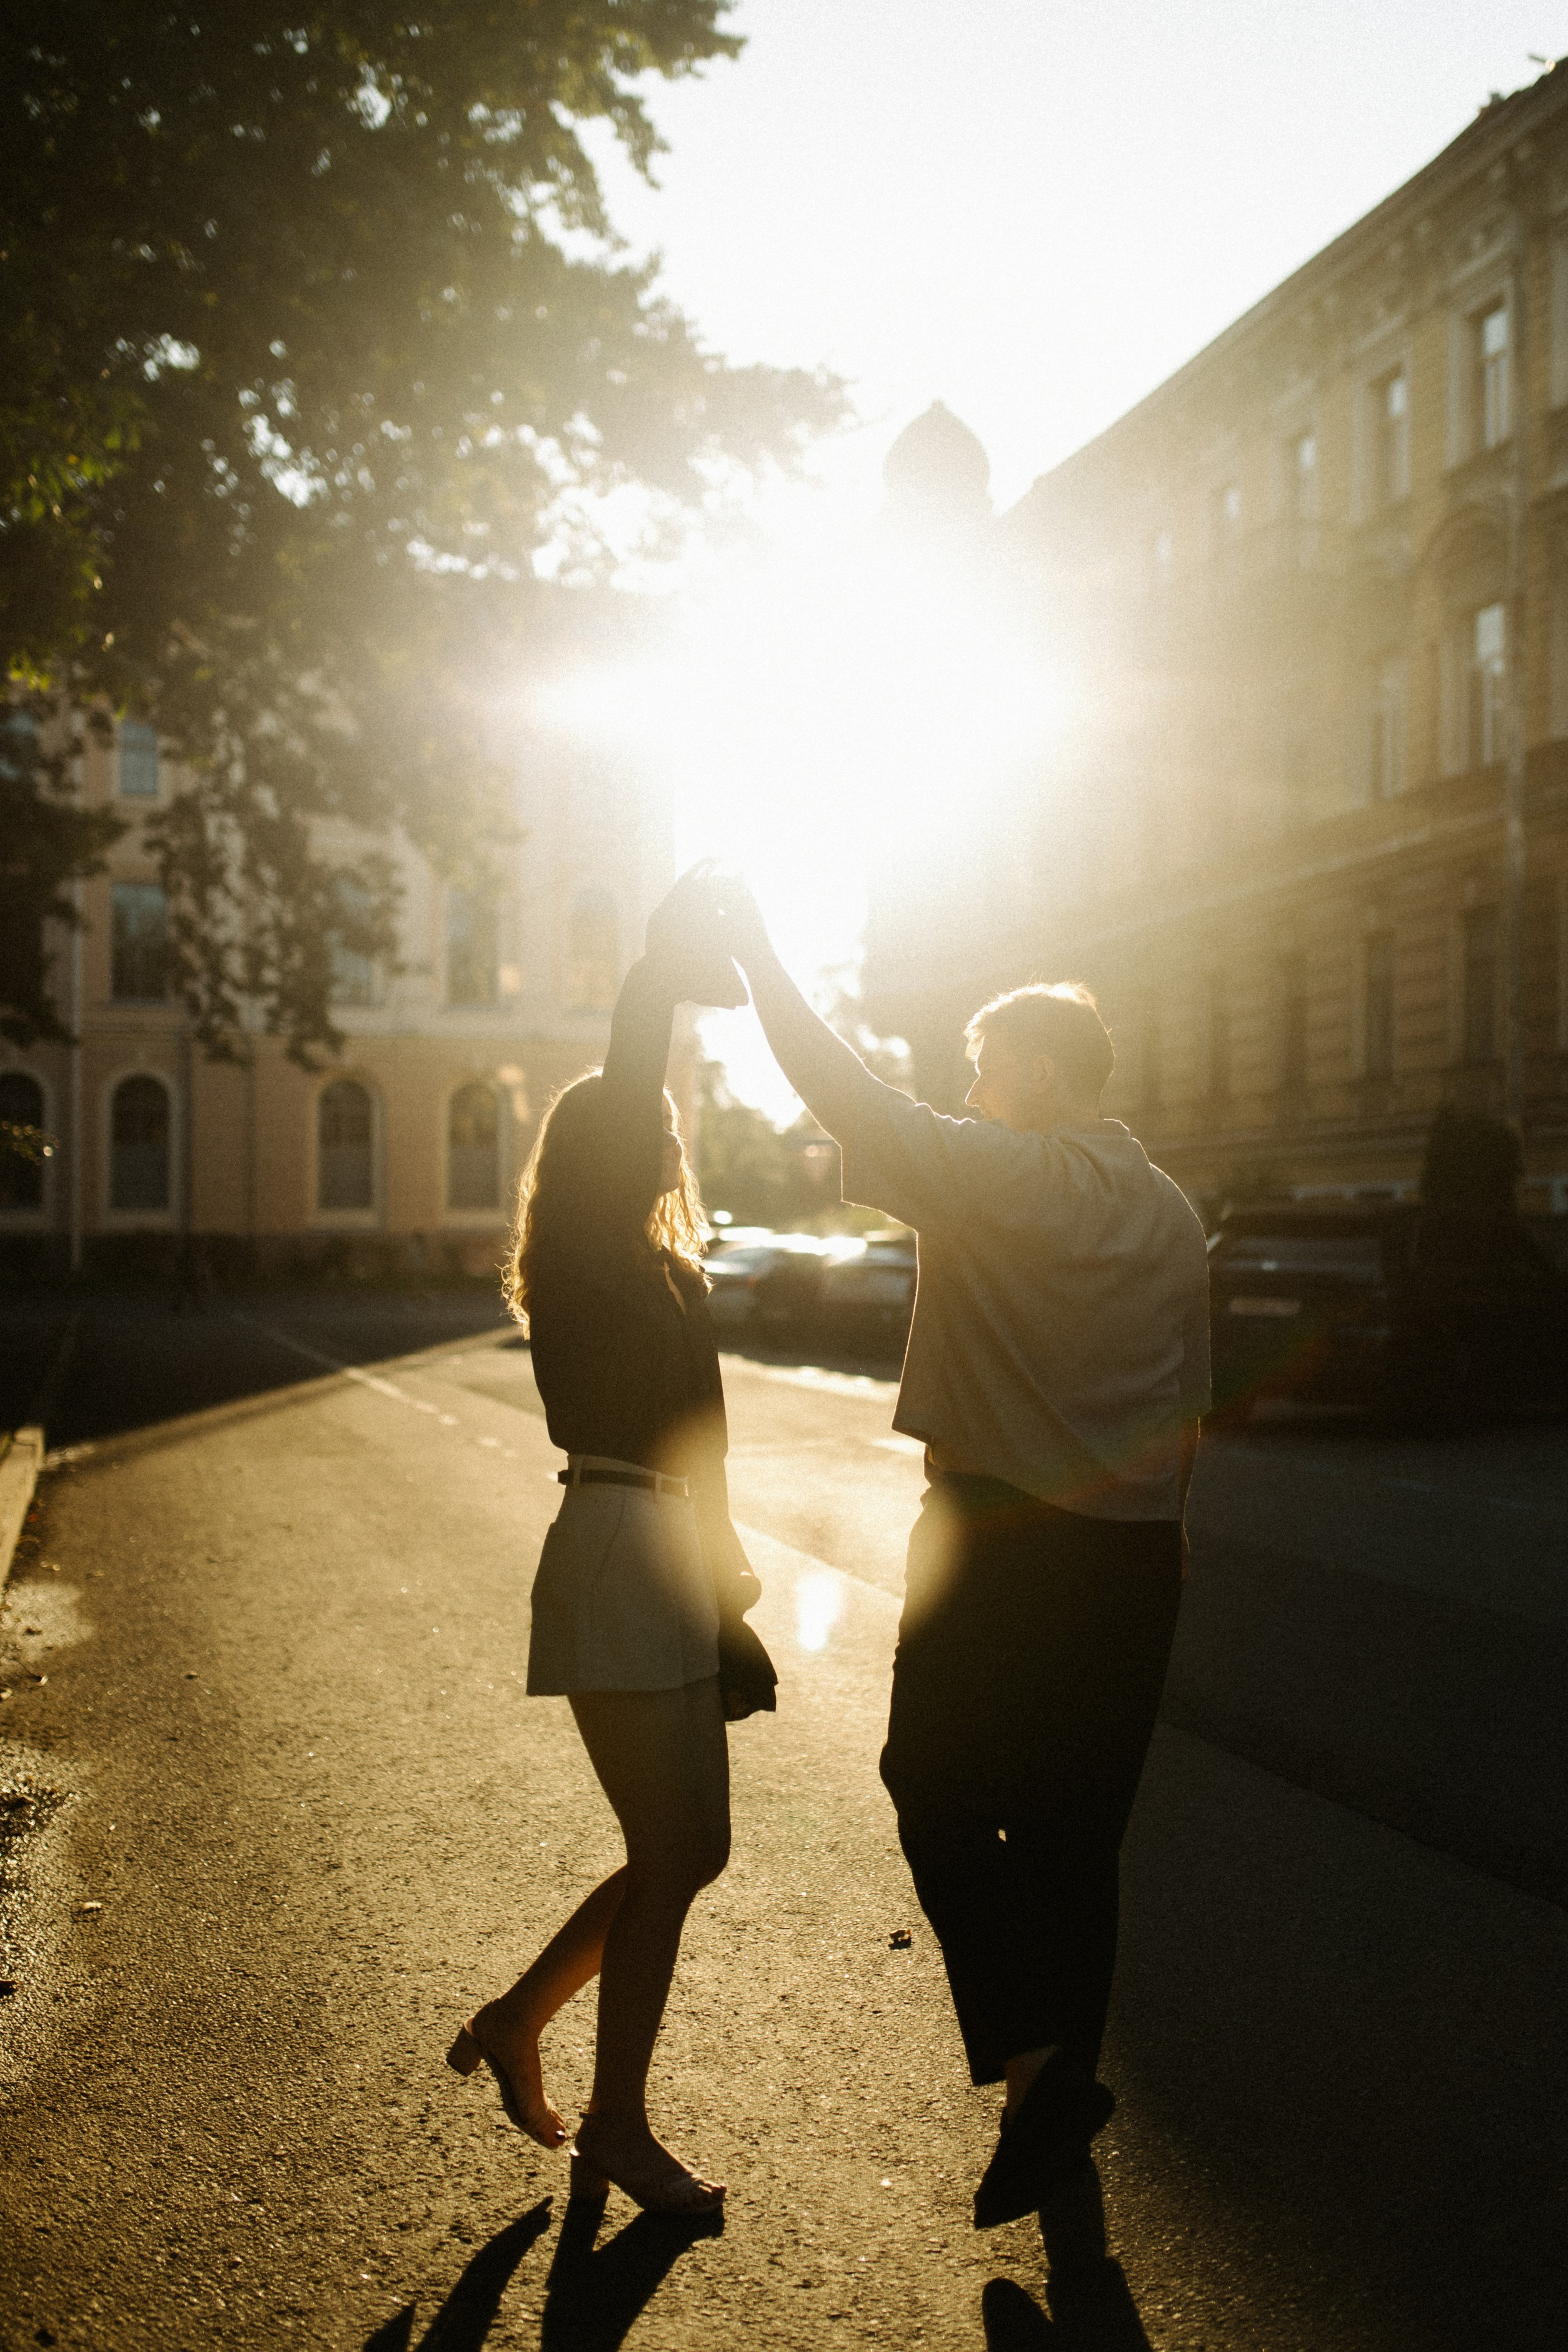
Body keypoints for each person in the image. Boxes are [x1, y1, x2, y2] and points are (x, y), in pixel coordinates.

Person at [705, 875, 1210, 2235]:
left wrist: (756, 952)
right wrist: (1163, 1549)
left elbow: (845, 1097)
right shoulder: (1166, 1212)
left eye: (986, 1066)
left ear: (1037, 1073)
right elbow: (1189, 1402)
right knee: (1073, 1838)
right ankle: (1056, 2124)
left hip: (992, 1542)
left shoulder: (999, 1176)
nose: (971, 1086)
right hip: (1128, 1559)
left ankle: (1037, 2076)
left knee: (928, 1785)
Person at [446, 881, 773, 2217]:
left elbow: (708, 1459)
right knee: (675, 1845)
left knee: (688, 1851)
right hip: (606, 1545)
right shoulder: (583, 1262)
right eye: (637, 1125)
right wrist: (661, 970)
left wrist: (732, 1602)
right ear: (593, 1156)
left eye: (664, 1126)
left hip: (666, 1553)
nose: (660, 1137)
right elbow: (633, 1067)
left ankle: (523, 2020)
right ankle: (619, 2129)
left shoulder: (668, 1279)